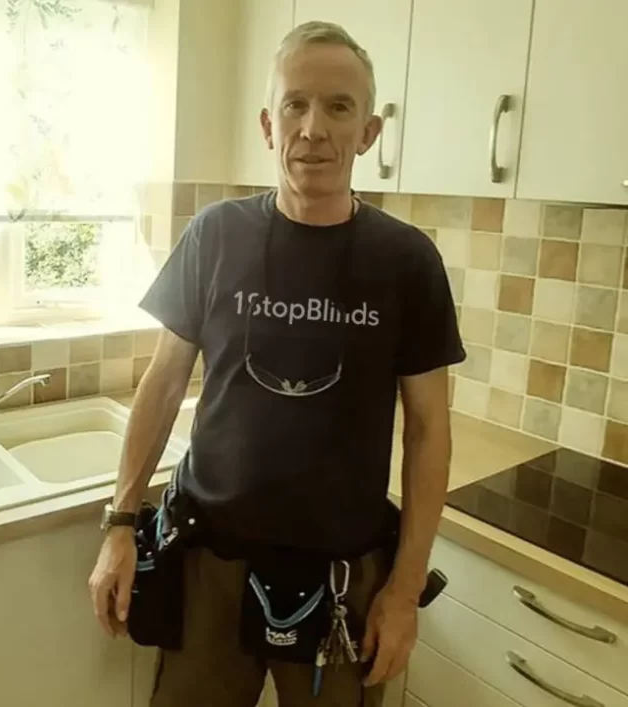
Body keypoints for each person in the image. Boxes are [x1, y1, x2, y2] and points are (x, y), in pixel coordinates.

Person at [88, 19, 467, 707]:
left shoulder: (407, 262)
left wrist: (405, 591)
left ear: (369, 133)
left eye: (338, 107)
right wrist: (120, 526)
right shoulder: (214, 235)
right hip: (209, 562)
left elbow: (428, 430)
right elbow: (163, 382)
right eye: (296, 104)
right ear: (269, 124)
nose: (313, 128)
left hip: (345, 578)